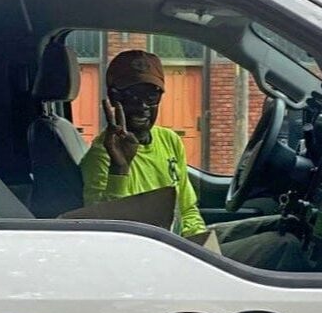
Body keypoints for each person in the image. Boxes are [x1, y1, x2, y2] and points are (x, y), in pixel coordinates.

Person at [80, 50, 305, 271]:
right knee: (285, 245)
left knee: (288, 224)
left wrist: (201, 245)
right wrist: (120, 168)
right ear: (113, 98)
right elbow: (105, 231)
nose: (142, 106)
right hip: (155, 258)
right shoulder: (102, 155)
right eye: (131, 96)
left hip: (185, 245)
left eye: (151, 96)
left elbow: (187, 208)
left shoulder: (168, 140)